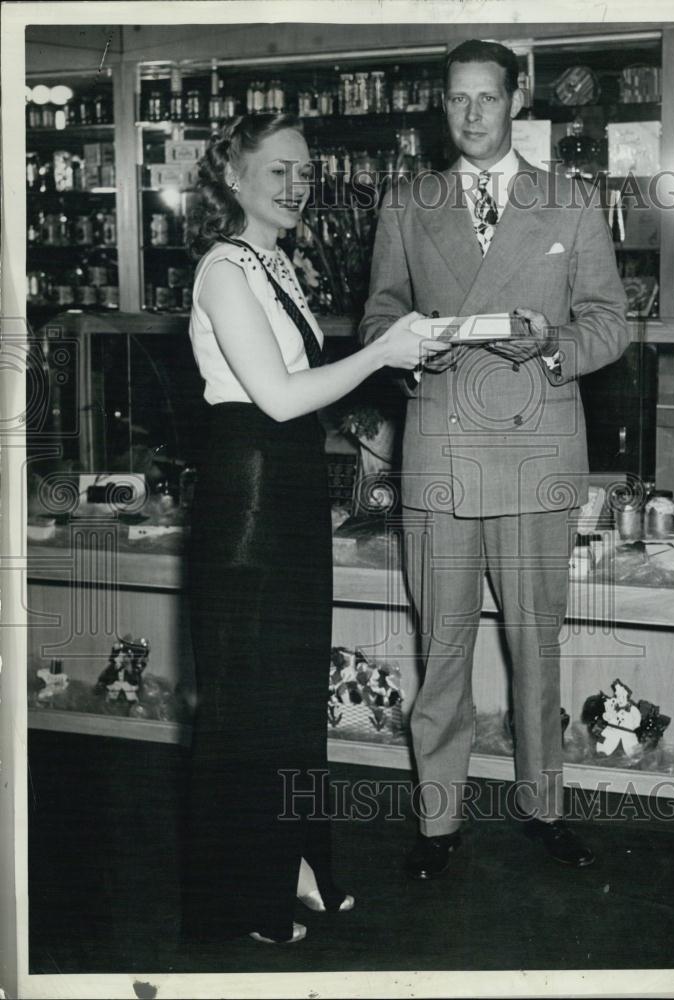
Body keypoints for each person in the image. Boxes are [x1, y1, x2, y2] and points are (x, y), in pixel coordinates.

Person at [360, 39, 631, 879]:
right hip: (440, 447)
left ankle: (544, 806)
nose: (471, 114)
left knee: (535, 645)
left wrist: (554, 347)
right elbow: (376, 319)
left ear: (516, 100)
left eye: (485, 97)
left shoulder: (571, 200)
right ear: (441, 105)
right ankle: (437, 824)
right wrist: (407, 348)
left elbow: (610, 323)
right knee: (440, 648)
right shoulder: (409, 201)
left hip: (538, 448)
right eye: (455, 99)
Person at [183, 112, 449, 944]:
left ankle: (293, 865)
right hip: (249, 499)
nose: (297, 187)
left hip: (288, 488)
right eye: (278, 173)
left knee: (292, 696)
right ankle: (245, 900)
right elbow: (279, 397)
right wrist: (382, 355)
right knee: (250, 706)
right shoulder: (224, 269)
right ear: (235, 178)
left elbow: (307, 390)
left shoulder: (277, 262)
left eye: (305, 173)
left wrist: (395, 367)